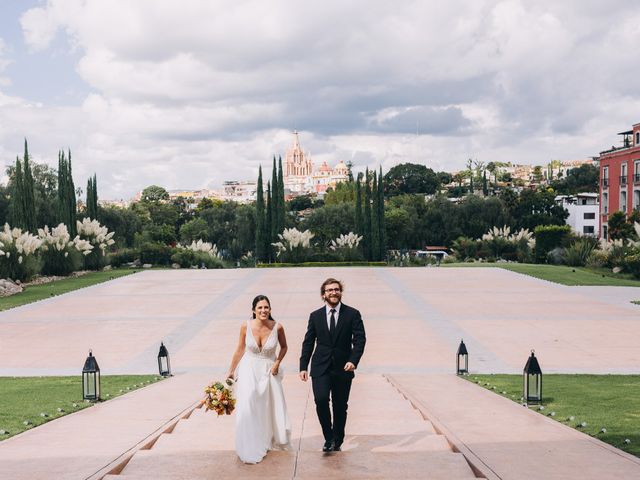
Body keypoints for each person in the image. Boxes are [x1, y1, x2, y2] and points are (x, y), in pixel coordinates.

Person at [299, 278, 366, 452]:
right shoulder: (315, 316)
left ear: (340, 292)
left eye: (336, 289)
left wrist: (353, 360)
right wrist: (303, 366)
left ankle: (338, 438)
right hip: (320, 367)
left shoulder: (352, 314)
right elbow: (308, 342)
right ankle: (328, 438)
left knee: (340, 405)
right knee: (321, 400)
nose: (333, 292)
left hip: (343, 368)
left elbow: (359, 340)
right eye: (329, 290)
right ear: (324, 294)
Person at [226, 295, 291, 463]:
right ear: (253, 310)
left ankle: (265, 439)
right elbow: (239, 349)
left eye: (266, 307)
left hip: (269, 370)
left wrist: (277, 363)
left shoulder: (278, 327)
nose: (263, 310)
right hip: (249, 369)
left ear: (270, 309)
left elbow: (284, 347)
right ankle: (249, 443)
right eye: (260, 307)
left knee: (267, 407)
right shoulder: (245, 326)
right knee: (248, 404)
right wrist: (231, 371)